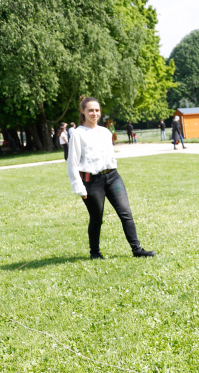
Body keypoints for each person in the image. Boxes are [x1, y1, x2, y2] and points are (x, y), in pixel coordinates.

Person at [66, 97, 156, 260]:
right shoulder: (78, 134)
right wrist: (79, 187)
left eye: (97, 110)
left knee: (125, 213)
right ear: (83, 111)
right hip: (92, 182)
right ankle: (95, 252)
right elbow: (72, 163)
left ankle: (137, 250)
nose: (94, 113)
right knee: (96, 218)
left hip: (113, 177)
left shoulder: (105, 132)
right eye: (90, 110)